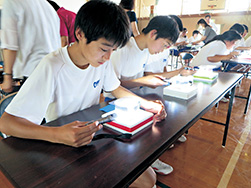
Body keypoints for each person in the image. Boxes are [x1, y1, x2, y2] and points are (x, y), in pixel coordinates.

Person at [0, 1, 167, 187]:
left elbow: (115, 88)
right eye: (104, 49)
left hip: (94, 135)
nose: (108, 57)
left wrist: (146, 104)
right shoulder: (53, 65)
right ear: (79, 34)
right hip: (64, 144)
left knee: (148, 178)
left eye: (113, 50)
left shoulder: (100, 62)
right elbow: (6, 123)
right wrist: (58, 134)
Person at [107, 15, 180, 176]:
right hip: (115, 101)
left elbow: (136, 81)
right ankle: (143, 161)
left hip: (133, 97)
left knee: (161, 111)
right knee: (150, 119)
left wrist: (147, 81)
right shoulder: (122, 50)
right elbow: (113, 87)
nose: (163, 49)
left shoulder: (145, 51)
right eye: (165, 44)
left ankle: (149, 157)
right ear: (153, 34)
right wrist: (144, 81)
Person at [1, 0, 61, 93]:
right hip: (53, 71)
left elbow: (10, 46)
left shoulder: (12, 3)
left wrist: (7, 76)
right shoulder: (47, 6)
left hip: (31, 73)